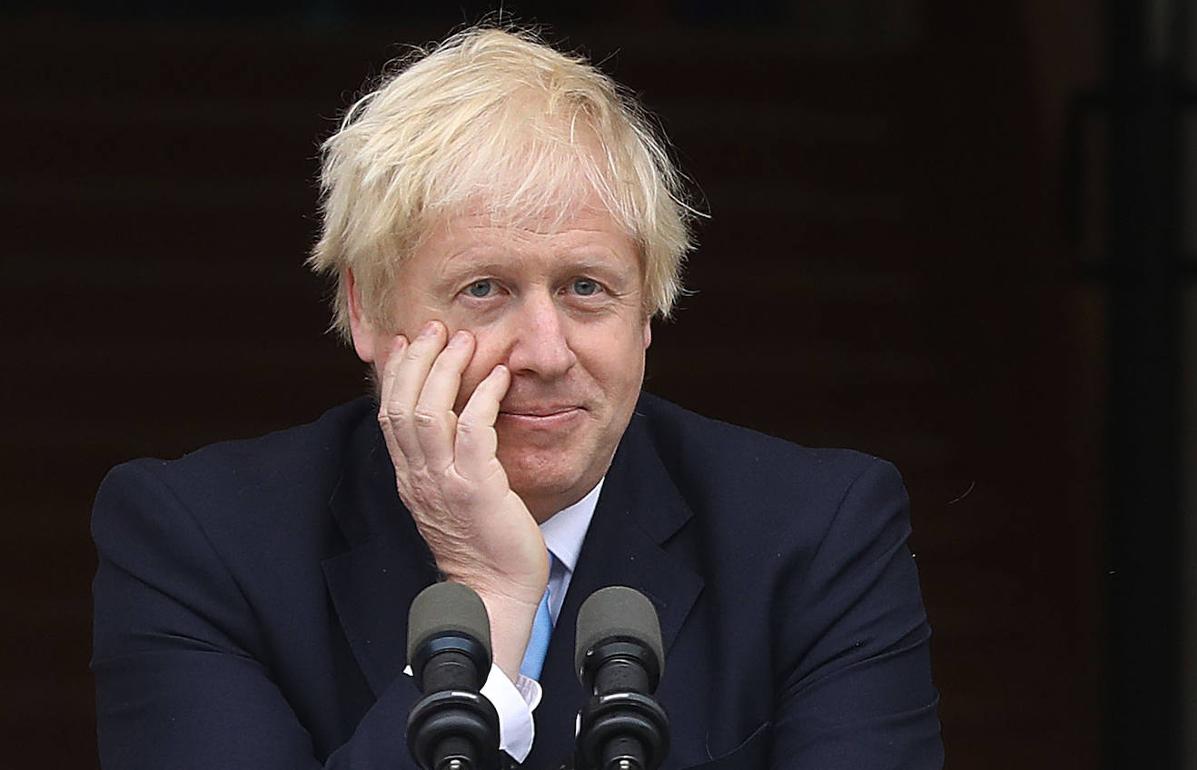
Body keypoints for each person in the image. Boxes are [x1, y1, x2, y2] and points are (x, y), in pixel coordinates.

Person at [91, 26, 943, 769]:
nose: (545, 353)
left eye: (586, 288)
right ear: (366, 308)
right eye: (485, 289)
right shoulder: (199, 543)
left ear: (648, 307)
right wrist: (490, 596)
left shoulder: (816, 535)